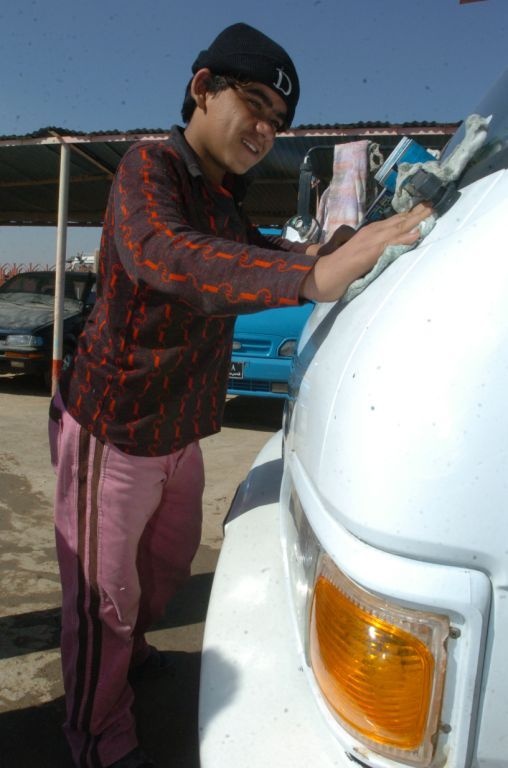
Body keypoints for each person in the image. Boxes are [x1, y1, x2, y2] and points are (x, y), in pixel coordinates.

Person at [49, 21, 431, 768]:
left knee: (162, 573)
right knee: (103, 605)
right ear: (202, 89)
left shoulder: (223, 204)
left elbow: (265, 249)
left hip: (179, 436)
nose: (265, 129)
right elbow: (164, 253)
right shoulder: (148, 170)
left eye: (279, 122)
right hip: (112, 430)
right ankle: (97, 735)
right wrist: (306, 276)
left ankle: (124, 660)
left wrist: (340, 246)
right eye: (254, 105)